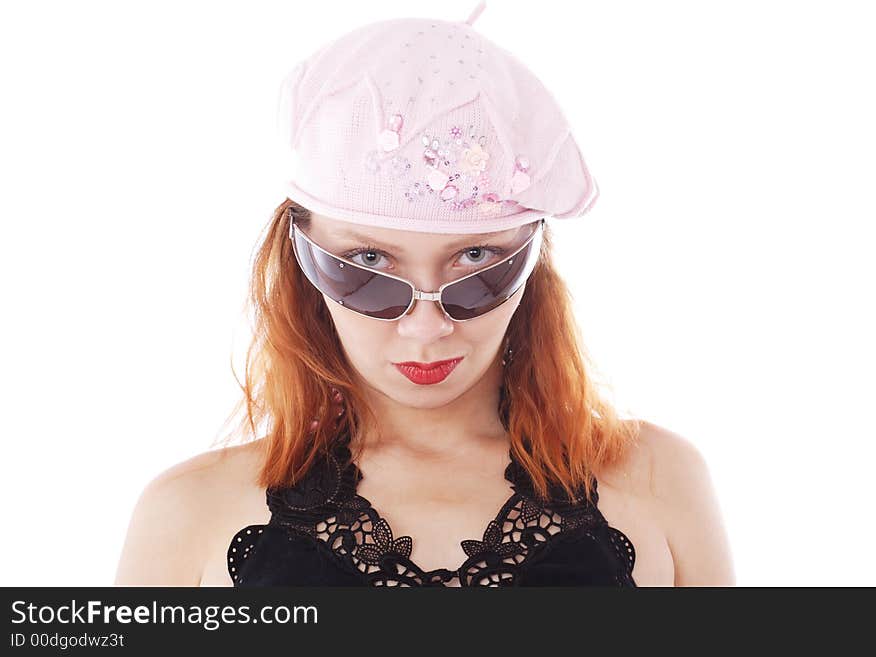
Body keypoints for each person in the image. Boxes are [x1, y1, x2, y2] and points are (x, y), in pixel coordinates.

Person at [114, 1, 735, 587]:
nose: (426, 327)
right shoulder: (187, 514)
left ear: (532, 257)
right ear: (299, 254)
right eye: (367, 264)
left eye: (477, 262)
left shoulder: (661, 479)